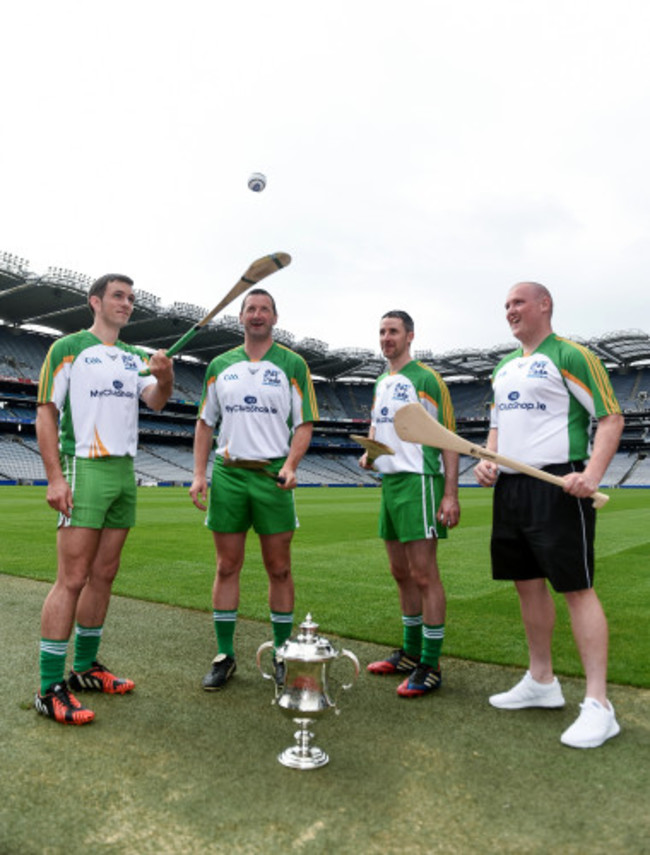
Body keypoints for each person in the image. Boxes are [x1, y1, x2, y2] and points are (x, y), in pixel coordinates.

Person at [474, 281, 624, 748]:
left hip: (559, 485)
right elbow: (498, 428)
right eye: (505, 305)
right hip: (513, 489)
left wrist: (593, 475)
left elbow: (610, 416)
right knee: (527, 584)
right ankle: (542, 682)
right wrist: (489, 460)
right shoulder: (502, 368)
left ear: (544, 305)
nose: (510, 311)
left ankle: (599, 704)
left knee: (577, 589)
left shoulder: (571, 356)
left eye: (518, 302)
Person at [34, 274, 174, 725]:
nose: (127, 303)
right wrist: (55, 479)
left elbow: (155, 401)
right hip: (84, 464)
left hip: (123, 470)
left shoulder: (134, 357)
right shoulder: (68, 348)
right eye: (118, 296)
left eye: (131, 298)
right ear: (95, 301)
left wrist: (166, 377)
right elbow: (46, 413)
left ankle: (85, 667)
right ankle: (49, 686)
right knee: (71, 578)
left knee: (104, 575)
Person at [189, 288, 318, 691]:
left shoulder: (293, 364)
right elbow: (205, 423)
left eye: (264, 309)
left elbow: (305, 424)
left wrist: (292, 465)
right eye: (251, 309)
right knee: (227, 567)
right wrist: (198, 474)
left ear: (275, 318)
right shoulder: (220, 365)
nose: (257, 314)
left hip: (272, 477)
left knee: (279, 568)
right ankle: (225, 656)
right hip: (228, 475)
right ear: (240, 317)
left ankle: (282, 653)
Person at [361, 310, 460, 697]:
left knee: (424, 573)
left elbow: (449, 438)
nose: (386, 337)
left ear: (410, 336)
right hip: (389, 482)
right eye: (382, 331)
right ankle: (410, 653)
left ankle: (430, 664)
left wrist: (450, 494)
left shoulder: (426, 379)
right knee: (400, 572)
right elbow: (376, 427)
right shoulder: (381, 381)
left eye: (393, 331)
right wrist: (368, 454)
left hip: (420, 482)